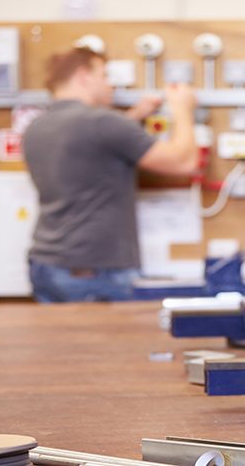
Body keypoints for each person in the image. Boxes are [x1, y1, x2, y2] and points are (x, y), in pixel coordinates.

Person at [23, 47, 198, 303]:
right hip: (98, 273)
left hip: (47, 265)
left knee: (60, 343)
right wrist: (183, 109)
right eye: (104, 76)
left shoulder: (36, 127)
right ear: (83, 76)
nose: (111, 86)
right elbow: (185, 163)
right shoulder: (103, 123)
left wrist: (134, 116)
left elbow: (92, 146)